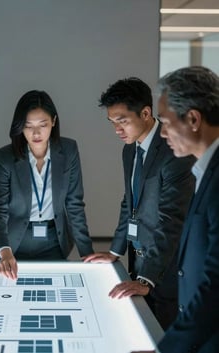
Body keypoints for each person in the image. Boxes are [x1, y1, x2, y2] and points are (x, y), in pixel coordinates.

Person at [84, 77, 195, 330]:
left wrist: (147, 278)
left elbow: (172, 219)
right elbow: (129, 202)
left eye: (122, 121)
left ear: (146, 113)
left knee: (163, 333)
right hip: (138, 257)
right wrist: (115, 251)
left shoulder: (173, 150)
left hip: (166, 266)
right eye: (112, 123)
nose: (117, 130)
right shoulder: (130, 149)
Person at [133, 66, 219, 353]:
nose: (163, 132)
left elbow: (215, 284)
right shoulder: (205, 170)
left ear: (193, 119)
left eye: (166, 122)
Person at [0, 89, 94, 279]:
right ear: (20, 126)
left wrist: (87, 254)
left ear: (53, 121)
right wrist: (4, 250)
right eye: (28, 126)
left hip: (54, 240)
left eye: (43, 125)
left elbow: (74, 204)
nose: (36, 133)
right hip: (14, 242)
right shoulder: (5, 158)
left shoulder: (68, 151)